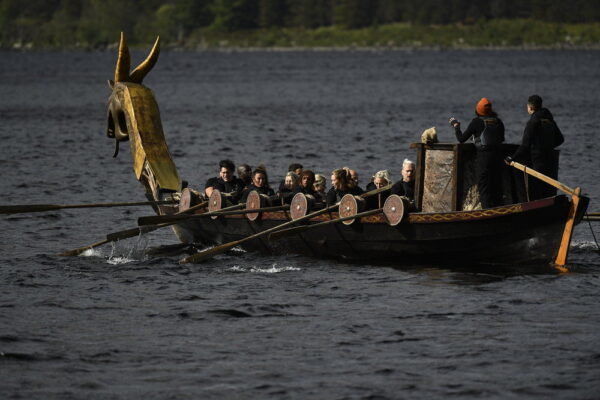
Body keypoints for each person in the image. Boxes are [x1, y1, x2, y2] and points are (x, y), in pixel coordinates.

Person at [450, 97, 505, 208]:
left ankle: (487, 213)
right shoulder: (498, 122)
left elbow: (461, 139)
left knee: (484, 188)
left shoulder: (476, 122)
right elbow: (501, 139)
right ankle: (499, 211)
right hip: (498, 157)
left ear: (478, 110)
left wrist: (457, 127)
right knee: (496, 187)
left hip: (483, 158)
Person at [507, 95, 564, 200]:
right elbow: (560, 139)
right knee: (549, 189)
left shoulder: (533, 121)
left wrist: (512, 158)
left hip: (538, 160)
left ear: (530, 107)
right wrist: (547, 147)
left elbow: (525, 146)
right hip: (551, 160)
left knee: (537, 189)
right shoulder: (549, 119)